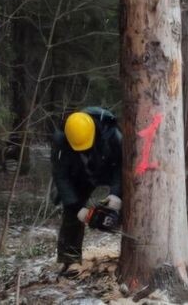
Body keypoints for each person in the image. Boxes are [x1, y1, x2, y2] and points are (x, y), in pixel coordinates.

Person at [50, 107, 123, 270]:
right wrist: (77, 207)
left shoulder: (112, 134)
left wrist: (116, 195)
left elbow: (122, 167)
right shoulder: (61, 140)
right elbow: (61, 176)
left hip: (108, 169)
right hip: (81, 174)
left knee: (131, 199)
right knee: (70, 214)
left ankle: (131, 252)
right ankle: (70, 260)